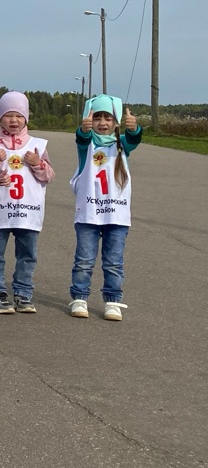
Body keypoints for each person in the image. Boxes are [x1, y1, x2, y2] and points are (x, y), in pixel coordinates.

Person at [0, 91, 54, 315]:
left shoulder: (37, 146)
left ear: (26, 118)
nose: (13, 121)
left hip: (28, 211)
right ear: (0, 118)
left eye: (19, 116)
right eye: (8, 115)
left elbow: (49, 176)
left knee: (27, 254)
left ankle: (23, 292)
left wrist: (37, 163)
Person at [68, 95, 141, 321]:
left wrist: (134, 128)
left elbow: (133, 139)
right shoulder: (87, 145)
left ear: (116, 121)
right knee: (84, 260)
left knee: (113, 262)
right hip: (89, 214)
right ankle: (79, 297)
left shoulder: (122, 146)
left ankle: (113, 301)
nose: (102, 122)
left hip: (116, 216)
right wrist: (84, 129)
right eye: (96, 117)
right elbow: (82, 138)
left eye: (107, 118)